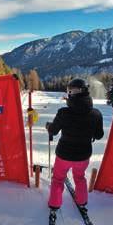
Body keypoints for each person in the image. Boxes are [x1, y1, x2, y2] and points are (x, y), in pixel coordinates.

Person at [46, 78, 104, 211]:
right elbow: (99, 135)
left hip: (63, 155)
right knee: (79, 177)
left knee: (58, 179)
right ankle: (82, 201)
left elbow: (53, 131)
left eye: (70, 91)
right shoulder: (96, 114)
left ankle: (54, 203)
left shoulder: (63, 112)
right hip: (83, 156)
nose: (69, 93)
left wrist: (49, 126)